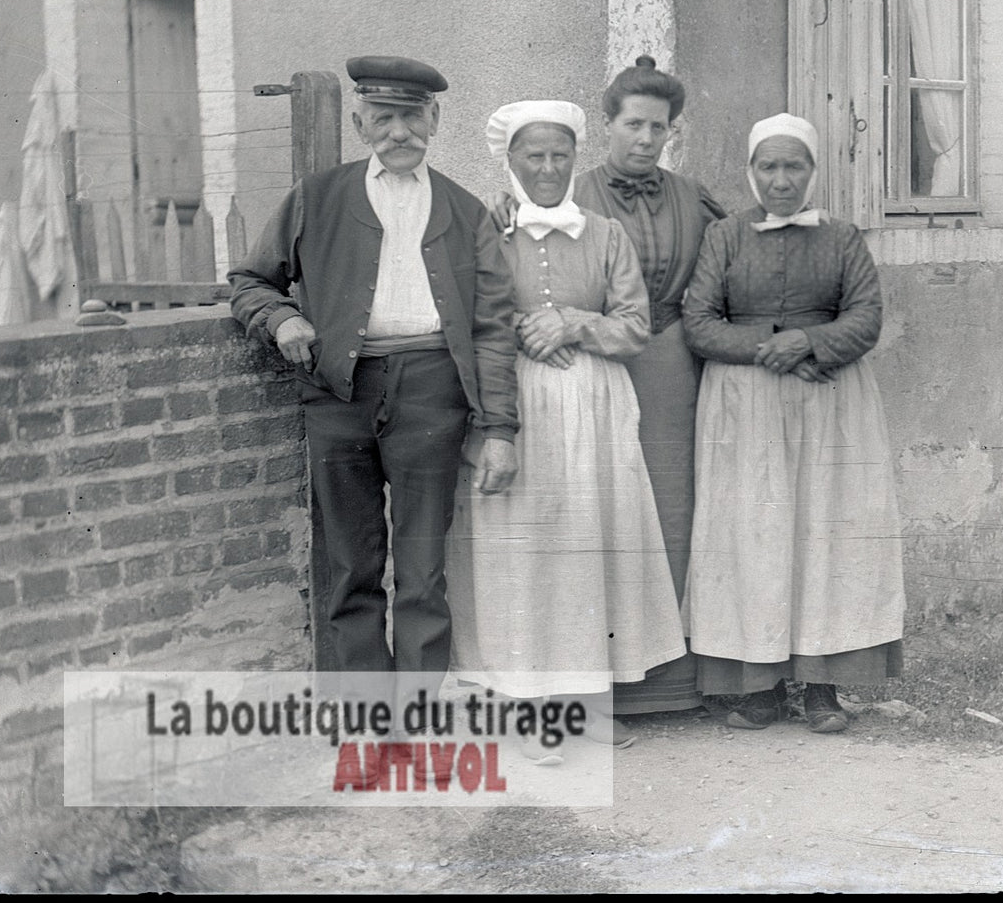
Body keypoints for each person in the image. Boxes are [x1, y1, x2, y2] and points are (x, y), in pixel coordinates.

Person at [228, 55, 520, 694]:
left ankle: (413, 714)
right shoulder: (316, 198)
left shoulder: (467, 212)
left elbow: (495, 329)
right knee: (351, 562)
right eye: (383, 118)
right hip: (340, 394)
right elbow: (249, 280)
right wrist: (281, 319)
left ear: (435, 120)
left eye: (412, 118)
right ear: (360, 123)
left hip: (433, 393)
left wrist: (499, 427)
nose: (399, 133)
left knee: (421, 569)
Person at [489, 56, 726, 725]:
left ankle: (677, 683)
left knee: (669, 512)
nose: (645, 139)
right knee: (593, 517)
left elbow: (723, 265)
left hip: (669, 364)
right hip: (583, 376)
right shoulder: (567, 195)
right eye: (633, 125)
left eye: (659, 127)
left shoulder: (692, 196)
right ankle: (597, 683)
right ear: (607, 127)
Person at [447, 100, 685, 759]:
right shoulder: (485, 232)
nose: (548, 168)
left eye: (560, 156)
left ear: (574, 160)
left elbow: (635, 324)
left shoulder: (605, 235)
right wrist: (524, 328)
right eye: (534, 156)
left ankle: (584, 705)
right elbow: (467, 316)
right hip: (514, 405)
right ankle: (526, 711)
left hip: (594, 405)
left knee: (589, 548)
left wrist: (573, 323)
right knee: (523, 554)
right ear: (510, 160)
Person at [680, 112, 905, 734]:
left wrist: (811, 340)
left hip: (830, 405)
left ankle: (824, 689)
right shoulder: (725, 237)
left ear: (813, 171)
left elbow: (865, 319)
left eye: (794, 166)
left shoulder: (843, 238)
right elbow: (699, 322)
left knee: (823, 534)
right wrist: (775, 345)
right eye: (769, 167)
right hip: (745, 407)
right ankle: (760, 689)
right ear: (752, 172)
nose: (782, 180)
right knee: (753, 536)